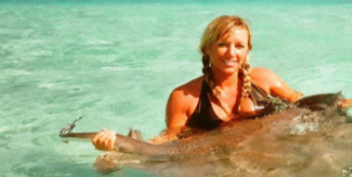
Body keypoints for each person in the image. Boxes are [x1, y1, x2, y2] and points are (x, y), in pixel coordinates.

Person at [92, 16, 307, 151]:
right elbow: (170, 141)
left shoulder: (265, 80)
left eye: (239, 46)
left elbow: (304, 103)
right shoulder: (184, 97)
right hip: (214, 160)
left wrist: (335, 103)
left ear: (248, 50)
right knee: (106, 166)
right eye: (222, 45)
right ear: (207, 48)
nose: (231, 53)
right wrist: (119, 146)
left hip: (262, 151)